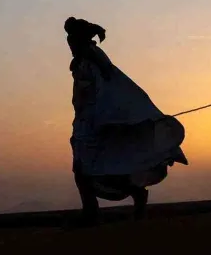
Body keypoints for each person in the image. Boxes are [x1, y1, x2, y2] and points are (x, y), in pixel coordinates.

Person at [66, 17, 188, 226]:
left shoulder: (91, 63)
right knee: (98, 166)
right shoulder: (93, 61)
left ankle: (93, 212)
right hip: (92, 124)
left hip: (97, 124)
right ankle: (125, 199)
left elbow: (97, 96)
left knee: (86, 167)